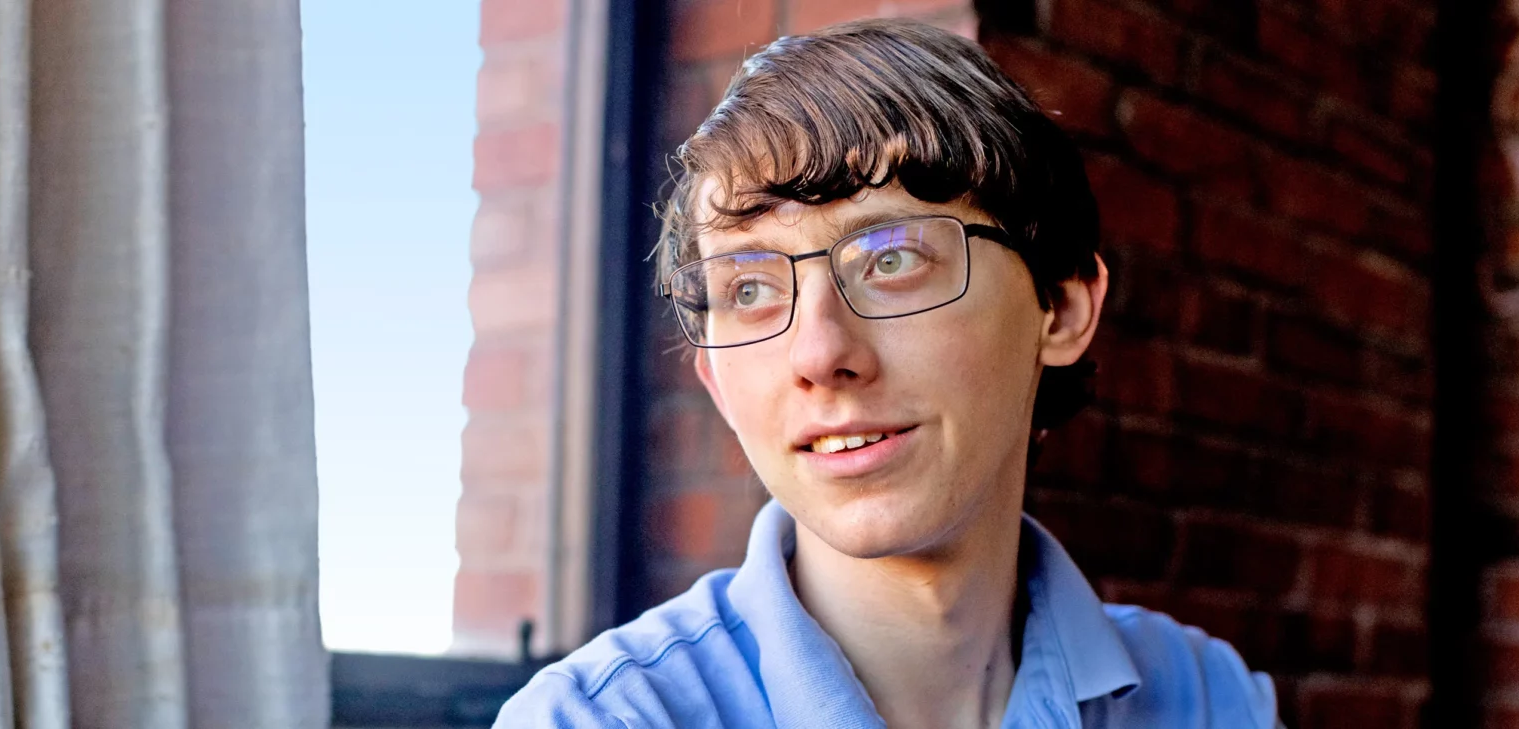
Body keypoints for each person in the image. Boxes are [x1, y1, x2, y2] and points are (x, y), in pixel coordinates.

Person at [496, 18, 1279, 729]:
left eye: (893, 258)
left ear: (1062, 307)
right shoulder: (595, 719)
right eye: (750, 288)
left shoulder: (1212, 698)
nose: (818, 355)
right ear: (714, 380)